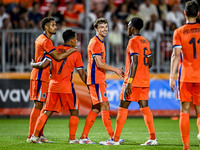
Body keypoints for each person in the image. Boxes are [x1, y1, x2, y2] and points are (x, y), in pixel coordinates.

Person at [99, 17, 157, 146]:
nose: (127, 28)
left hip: (133, 81)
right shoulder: (146, 42)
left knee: (122, 108)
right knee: (145, 108)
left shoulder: (132, 42)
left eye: (129, 25)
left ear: (133, 27)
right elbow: (150, 63)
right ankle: (152, 138)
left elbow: (134, 62)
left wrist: (129, 82)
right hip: (144, 81)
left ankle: (114, 140)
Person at [30, 29, 87, 144]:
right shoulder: (75, 53)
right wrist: (89, 85)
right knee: (74, 111)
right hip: (66, 87)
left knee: (47, 111)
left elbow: (45, 64)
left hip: (53, 85)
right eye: (76, 39)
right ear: (71, 41)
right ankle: (72, 139)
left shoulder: (54, 50)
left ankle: (34, 137)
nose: (77, 41)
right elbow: (81, 72)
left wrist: (32, 64)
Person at [79, 18, 124, 144]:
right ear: (96, 29)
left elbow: (97, 64)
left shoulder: (100, 42)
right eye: (102, 27)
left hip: (98, 79)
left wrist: (103, 79)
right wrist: (115, 69)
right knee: (105, 106)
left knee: (97, 108)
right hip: (95, 80)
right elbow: (99, 64)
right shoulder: (95, 43)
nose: (105, 29)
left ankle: (84, 137)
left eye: (106, 26)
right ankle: (112, 137)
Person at [169, 1, 200, 150]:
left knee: (184, 111)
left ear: (185, 13)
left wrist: (171, 76)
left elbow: (176, 55)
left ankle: (186, 147)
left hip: (185, 76)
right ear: (198, 14)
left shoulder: (179, 32)